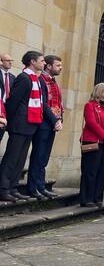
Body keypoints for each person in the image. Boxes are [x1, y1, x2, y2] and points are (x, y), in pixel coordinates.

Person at [0, 51, 60, 202]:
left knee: (20, 160)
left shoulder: (37, 80)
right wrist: (12, 122)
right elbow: (13, 102)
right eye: (41, 61)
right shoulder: (24, 78)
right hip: (20, 125)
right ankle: (3, 189)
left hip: (31, 125)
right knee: (11, 158)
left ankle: (13, 188)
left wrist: (54, 120)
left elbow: (41, 104)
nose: (44, 63)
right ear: (32, 62)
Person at [27, 55, 64, 199]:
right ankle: (33, 187)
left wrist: (60, 119)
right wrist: (55, 120)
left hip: (52, 124)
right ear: (49, 66)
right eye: (58, 65)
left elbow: (59, 103)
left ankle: (41, 186)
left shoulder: (54, 82)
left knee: (44, 158)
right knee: (38, 156)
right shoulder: (41, 80)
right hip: (43, 123)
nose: (60, 68)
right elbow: (43, 104)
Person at [79, 82, 104, 207]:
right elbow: (91, 123)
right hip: (94, 142)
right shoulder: (89, 106)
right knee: (91, 170)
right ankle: (87, 198)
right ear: (99, 92)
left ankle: (98, 197)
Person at [0, 53, 15, 142]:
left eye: (11, 61)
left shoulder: (13, 77)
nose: (10, 62)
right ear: (1, 61)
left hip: (9, 108)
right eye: (7, 60)